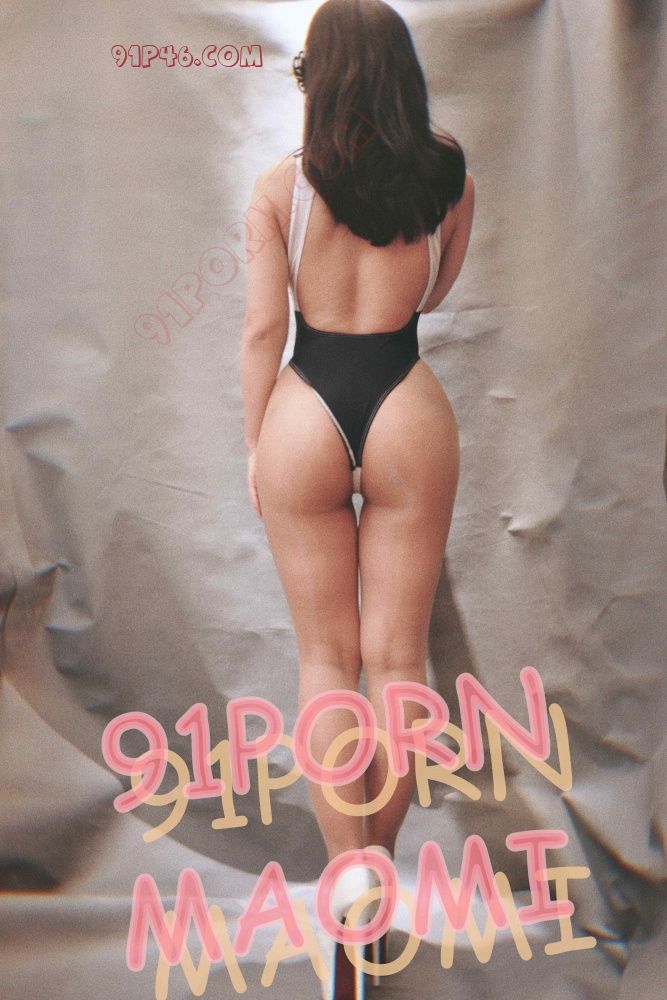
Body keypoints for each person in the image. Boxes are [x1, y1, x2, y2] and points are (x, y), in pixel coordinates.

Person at [240, 1, 474, 995]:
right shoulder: (448, 174)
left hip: (304, 403)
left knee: (325, 661)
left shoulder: (278, 186)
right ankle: (377, 876)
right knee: (398, 660)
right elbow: (435, 293)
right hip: (404, 399)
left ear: (319, 75)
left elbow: (262, 331)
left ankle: (349, 901)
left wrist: (257, 446)